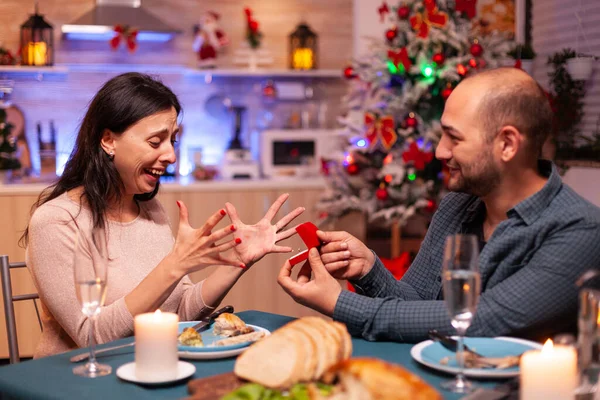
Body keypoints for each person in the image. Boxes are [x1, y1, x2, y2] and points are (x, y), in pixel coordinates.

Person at [278, 67, 600, 343]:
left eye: (454, 138)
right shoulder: (457, 206)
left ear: (507, 144)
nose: (440, 152)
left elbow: (482, 321)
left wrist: (339, 303)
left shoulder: (580, 230)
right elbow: (416, 303)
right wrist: (368, 268)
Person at [22, 72, 304, 358]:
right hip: (79, 378)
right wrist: (175, 264)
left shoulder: (150, 210)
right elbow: (93, 336)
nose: (170, 155)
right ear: (108, 140)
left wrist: (237, 262)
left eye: (173, 141)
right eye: (156, 142)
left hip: (153, 364)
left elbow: (180, 311)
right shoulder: (57, 221)